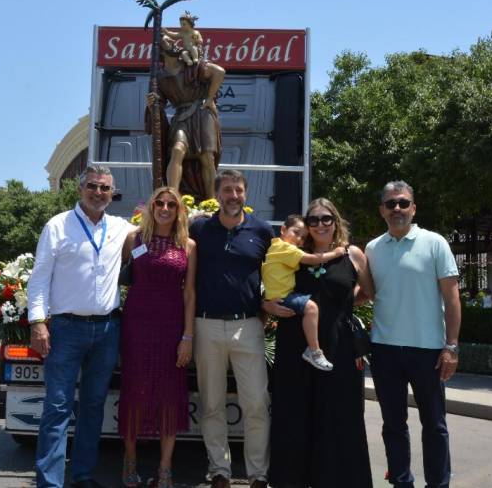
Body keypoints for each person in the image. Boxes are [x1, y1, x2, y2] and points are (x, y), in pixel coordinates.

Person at [27, 166, 134, 488]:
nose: (98, 193)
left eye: (105, 188)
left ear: (112, 193)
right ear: (80, 189)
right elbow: (39, 279)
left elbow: (160, 229)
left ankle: (83, 476)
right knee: (57, 407)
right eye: (92, 186)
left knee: (93, 406)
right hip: (66, 329)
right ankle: (50, 482)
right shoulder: (58, 226)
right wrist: (38, 323)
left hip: (107, 330)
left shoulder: (121, 228)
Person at [267, 198, 375, 488]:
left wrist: (345, 304)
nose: (319, 225)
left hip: (339, 345)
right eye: (312, 220)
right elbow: (269, 283)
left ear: (335, 220)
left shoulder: (353, 254)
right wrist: (267, 306)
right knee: (295, 413)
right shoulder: (295, 252)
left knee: (340, 414)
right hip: (294, 343)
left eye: (326, 218)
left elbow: (368, 290)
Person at [365, 181, 462, 488]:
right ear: (382, 210)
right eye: (391, 204)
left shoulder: (435, 243)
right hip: (384, 351)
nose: (397, 209)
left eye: (403, 203)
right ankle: (402, 482)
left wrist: (452, 347)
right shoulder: (372, 249)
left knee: (434, 425)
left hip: (428, 351)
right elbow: (365, 293)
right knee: (393, 425)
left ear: (414, 208)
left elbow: (452, 298)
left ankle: (438, 484)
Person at [189, 169, 274, 488]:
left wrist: (268, 311)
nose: (233, 196)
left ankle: (257, 473)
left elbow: (275, 275)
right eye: (227, 190)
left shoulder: (262, 231)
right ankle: (219, 470)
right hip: (206, 325)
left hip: (248, 326)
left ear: (245, 194)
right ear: (217, 195)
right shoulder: (200, 228)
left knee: (255, 403)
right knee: (211, 404)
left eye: (238, 190)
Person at [118, 187, 197, 488]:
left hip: (171, 326)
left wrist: (187, 336)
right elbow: (121, 278)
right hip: (136, 325)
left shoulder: (188, 245)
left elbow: (190, 294)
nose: (165, 208)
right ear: (150, 207)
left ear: (179, 211)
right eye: (159, 203)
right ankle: (130, 462)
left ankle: (165, 469)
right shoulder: (134, 240)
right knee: (135, 391)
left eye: (171, 204)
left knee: (168, 396)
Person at [261, 214, 346, 371]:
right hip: (283, 296)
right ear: (283, 229)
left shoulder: (275, 246)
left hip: (277, 295)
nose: (299, 239)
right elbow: (312, 259)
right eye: (296, 232)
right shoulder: (285, 248)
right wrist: (336, 253)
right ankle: (314, 351)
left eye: (303, 237)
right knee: (311, 308)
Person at [146, 34, 225, 200]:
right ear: (160, 50)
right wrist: (152, 104)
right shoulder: (159, 77)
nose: (174, 42)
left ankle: (211, 203)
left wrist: (210, 98)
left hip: (202, 112)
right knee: (176, 150)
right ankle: (173, 198)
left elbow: (219, 72)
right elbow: (158, 105)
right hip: (181, 115)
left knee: (207, 157)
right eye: (168, 41)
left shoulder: (193, 66)